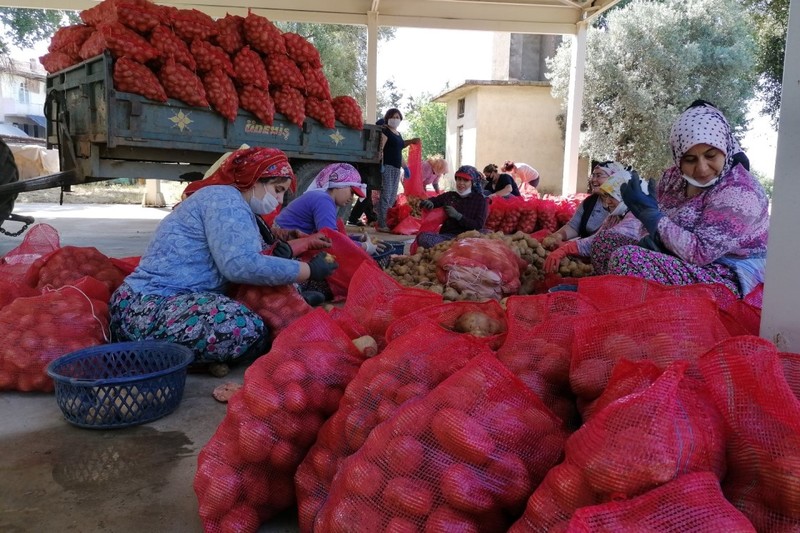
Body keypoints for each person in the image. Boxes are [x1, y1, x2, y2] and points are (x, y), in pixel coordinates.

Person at [109, 147, 339, 366]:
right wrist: (308, 271)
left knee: (269, 293)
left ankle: (283, 315)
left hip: (186, 298)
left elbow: (260, 256)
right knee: (244, 327)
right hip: (150, 306)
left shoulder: (239, 205)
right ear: (255, 179)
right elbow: (240, 266)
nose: (279, 201)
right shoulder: (224, 200)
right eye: (277, 190)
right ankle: (159, 352)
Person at [603, 100, 769, 297]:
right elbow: (650, 229)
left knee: (628, 259)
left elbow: (701, 252)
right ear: (678, 156)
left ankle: (624, 306)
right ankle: (607, 295)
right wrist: (650, 233)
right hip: (677, 256)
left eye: (711, 155)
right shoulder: (672, 178)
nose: (702, 168)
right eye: (690, 159)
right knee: (606, 242)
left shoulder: (741, 191)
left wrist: (655, 221)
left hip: (727, 273)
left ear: (725, 148)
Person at [543, 162, 644, 274]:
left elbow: (603, 239)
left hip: (633, 271)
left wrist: (567, 248)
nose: (607, 201)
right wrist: (561, 241)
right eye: (606, 196)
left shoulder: (636, 216)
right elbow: (596, 235)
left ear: (623, 195)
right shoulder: (614, 214)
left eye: (612, 196)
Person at [275, 163, 382, 255]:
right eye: (352, 192)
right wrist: (364, 247)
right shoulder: (323, 201)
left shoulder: (321, 197)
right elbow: (331, 240)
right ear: (339, 185)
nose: (351, 198)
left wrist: (356, 239)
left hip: (285, 241)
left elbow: (330, 235)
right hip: (280, 245)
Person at [415, 165, 489, 248]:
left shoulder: (480, 200)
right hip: (448, 237)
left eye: (466, 180)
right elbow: (434, 200)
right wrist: (429, 202)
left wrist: (458, 216)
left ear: (472, 183)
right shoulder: (450, 195)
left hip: (468, 239)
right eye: (459, 179)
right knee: (423, 237)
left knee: (487, 238)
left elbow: (478, 225)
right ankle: (453, 248)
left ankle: (454, 248)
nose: (461, 183)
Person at [547, 160, 613, 244]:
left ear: (612, 178)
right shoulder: (590, 202)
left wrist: (575, 246)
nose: (593, 180)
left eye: (599, 176)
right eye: (593, 176)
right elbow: (574, 226)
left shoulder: (623, 207)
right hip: (584, 249)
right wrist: (559, 235)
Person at [376, 108, 420, 232]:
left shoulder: (398, 134)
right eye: (393, 117)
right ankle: (382, 224)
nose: (395, 119)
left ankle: (387, 221)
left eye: (397, 117)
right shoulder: (385, 131)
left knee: (391, 197)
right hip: (388, 167)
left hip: (396, 168)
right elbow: (380, 149)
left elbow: (399, 152)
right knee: (386, 195)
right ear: (388, 118)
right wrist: (380, 163)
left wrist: (405, 167)